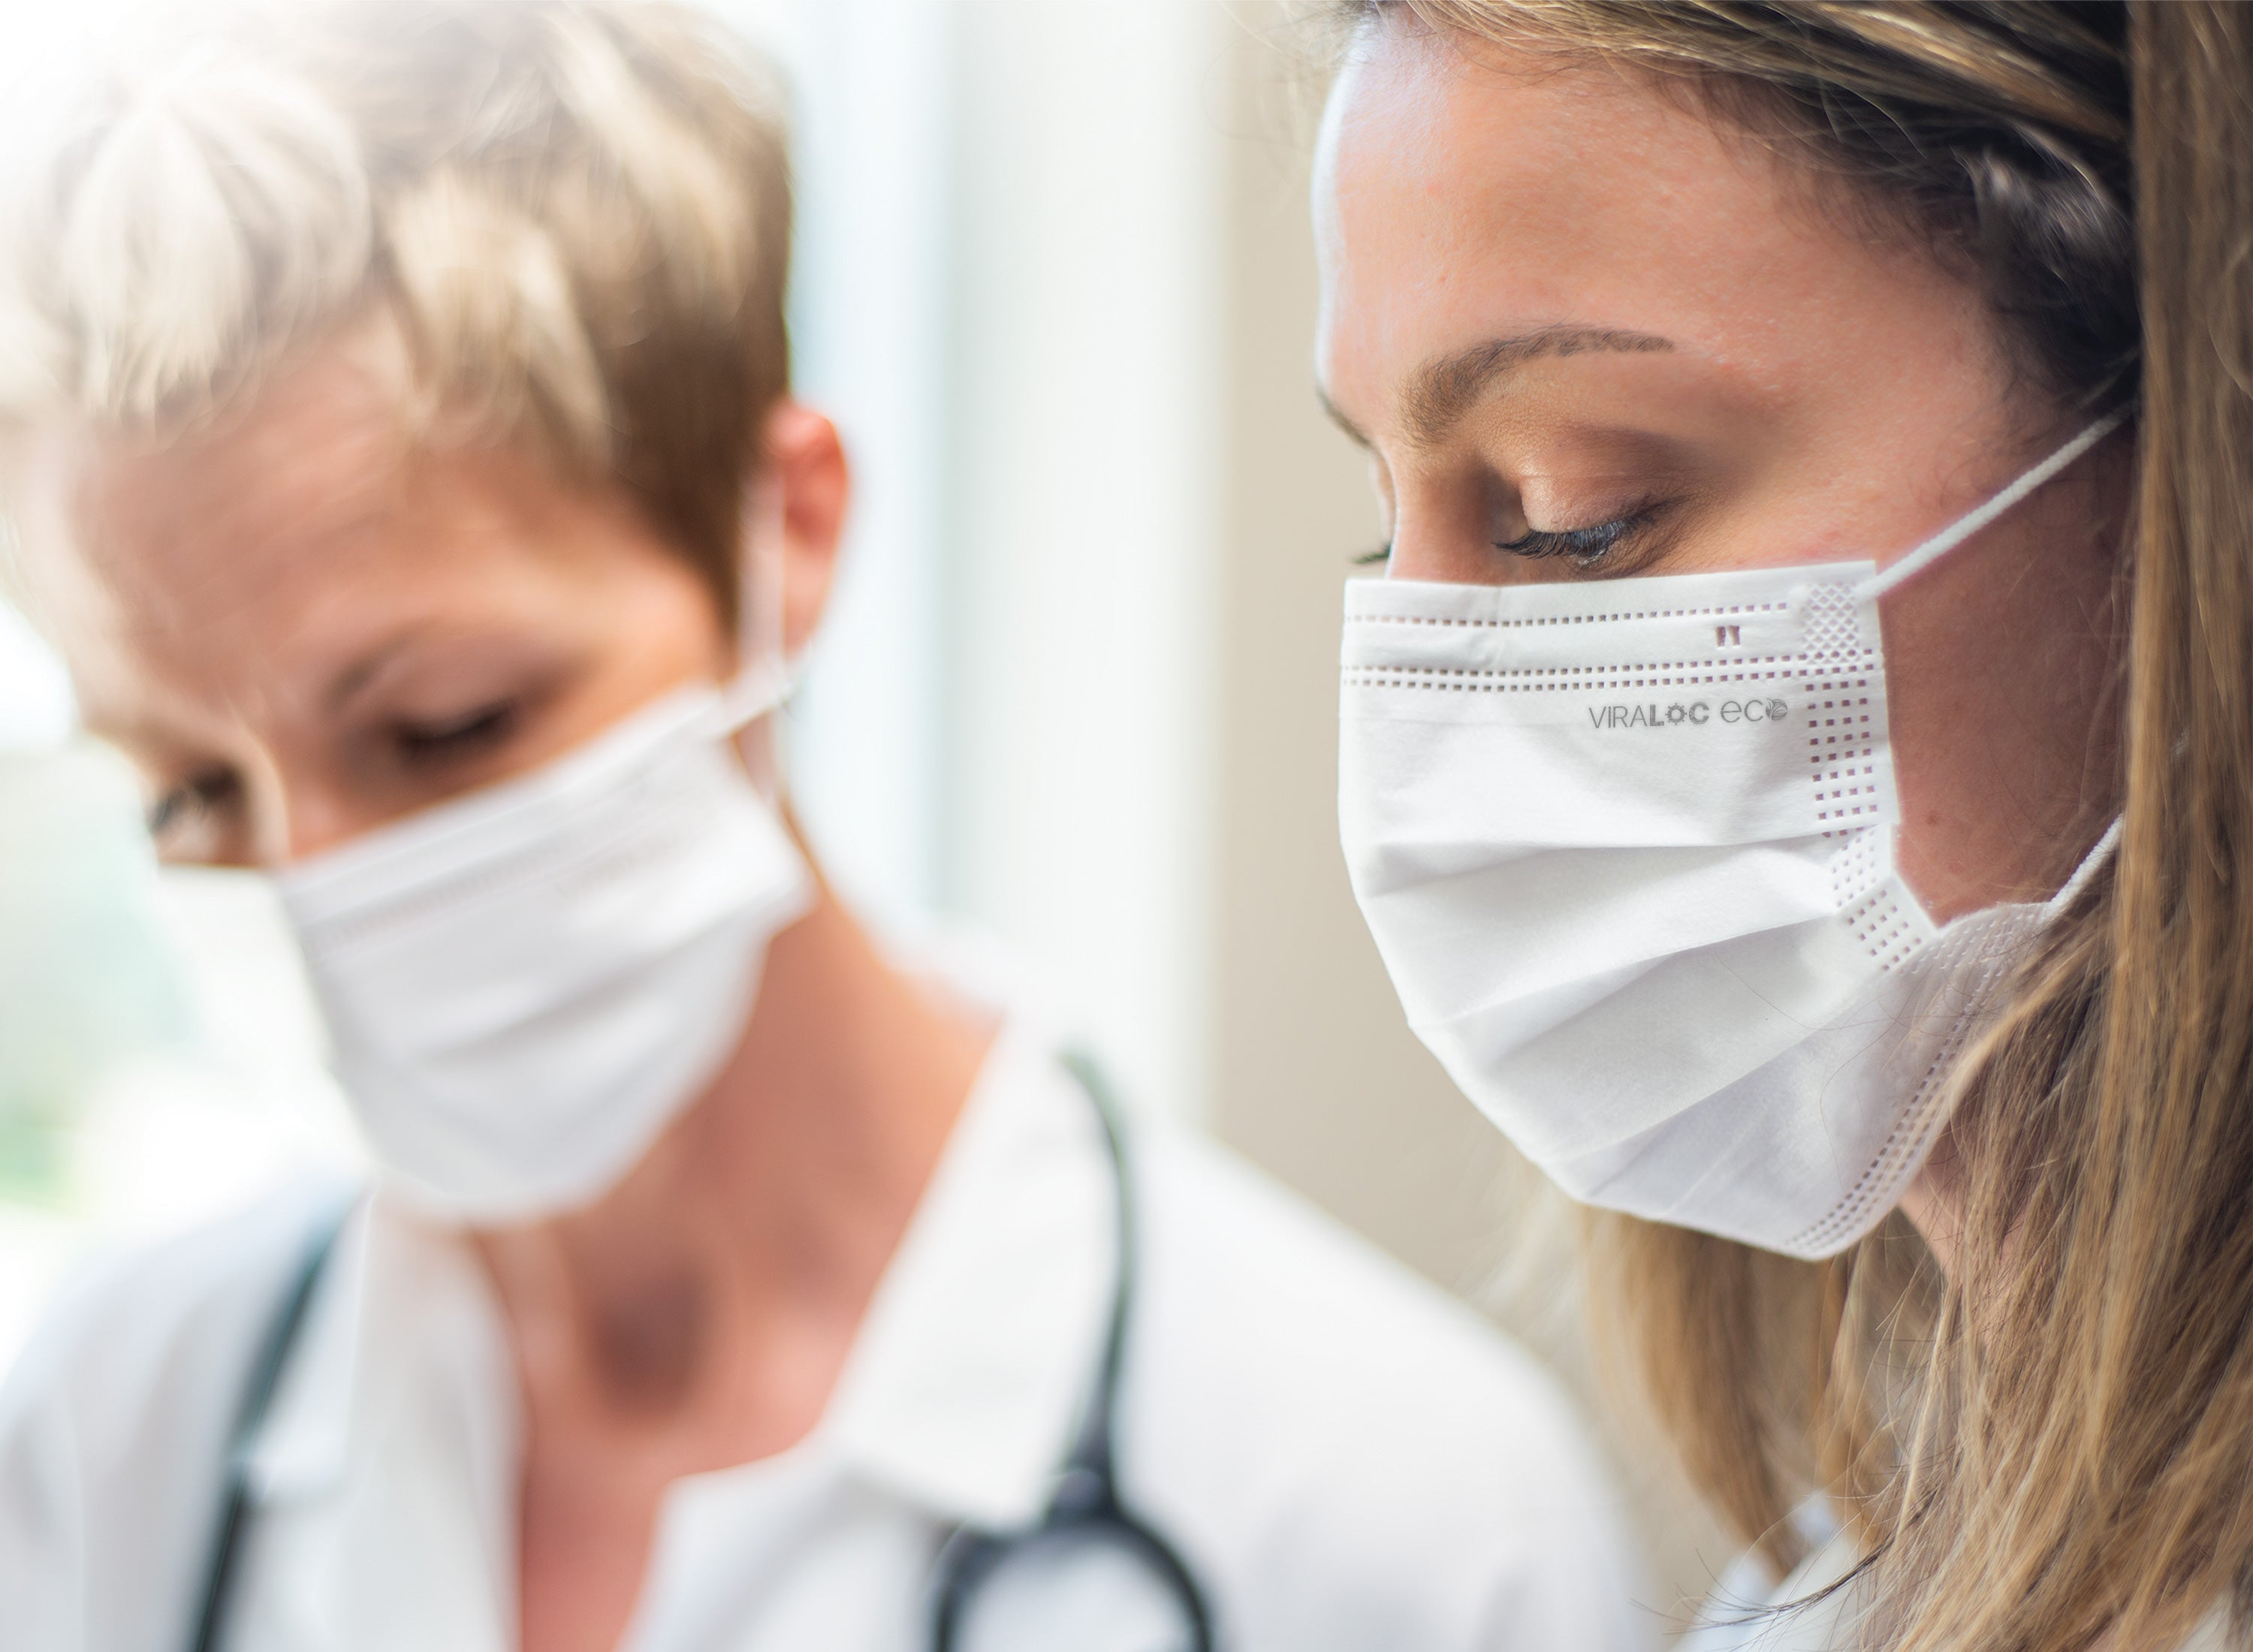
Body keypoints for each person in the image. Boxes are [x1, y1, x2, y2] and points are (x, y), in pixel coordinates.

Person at [0, 4, 1656, 1650]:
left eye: (446, 725)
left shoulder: (1384, 1523)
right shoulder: (115, 1426)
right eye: (190, 788)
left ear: (781, 532)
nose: (319, 881)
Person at [1315, 1, 2253, 1647]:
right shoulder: (1833, 1599)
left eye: (1570, 514)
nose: (1430, 691)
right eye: (1386, 527)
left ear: (2177, 444)